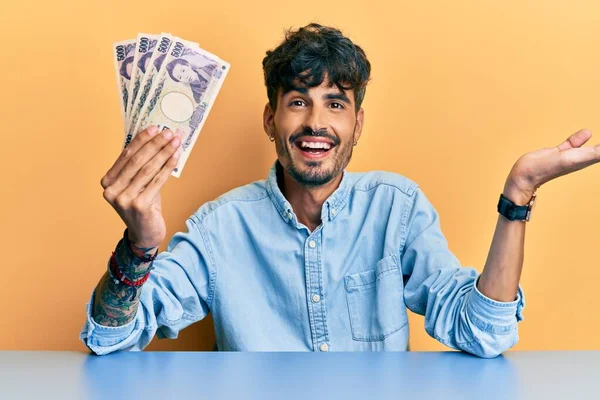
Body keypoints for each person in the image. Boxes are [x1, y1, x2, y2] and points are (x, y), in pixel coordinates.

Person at [81, 23, 600, 356]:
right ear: (271, 118)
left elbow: (483, 333)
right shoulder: (220, 228)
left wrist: (519, 193)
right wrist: (140, 245)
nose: (315, 123)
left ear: (357, 124)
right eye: (298, 101)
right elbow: (110, 337)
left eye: (335, 103)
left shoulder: (397, 210)